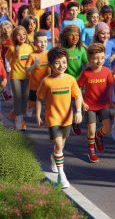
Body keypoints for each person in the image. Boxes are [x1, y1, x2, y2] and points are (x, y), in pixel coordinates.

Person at [36, 47, 82, 189]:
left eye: (64, 62)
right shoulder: (47, 81)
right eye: (57, 63)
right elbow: (39, 98)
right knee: (59, 145)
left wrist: (78, 110)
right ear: (50, 65)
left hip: (67, 118)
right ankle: (62, 175)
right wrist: (38, 115)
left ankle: (54, 156)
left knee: (61, 145)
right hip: (53, 118)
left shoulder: (70, 79)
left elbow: (78, 96)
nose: (61, 66)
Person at [77, 43, 114, 162]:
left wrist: (110, 100)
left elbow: (110, 86)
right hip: (90, 105)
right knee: (91, 129)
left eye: (102, 58)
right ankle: (91, 150)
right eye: (96, 58)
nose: (100, 61)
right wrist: (82, 103)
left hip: (103, 105)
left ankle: (99, 136)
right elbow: (78, 88)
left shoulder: (107, 71)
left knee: (107, 128)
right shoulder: (86, 72)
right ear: (90, 59)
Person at [5, 26, 34, 130]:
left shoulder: (30, 47)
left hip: (27, 76)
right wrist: (8, 67)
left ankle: (15, 113)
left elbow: (35, 57)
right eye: (19, 34)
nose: (22, 36)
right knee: (17, 98)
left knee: (25, 98)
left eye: (24, 34)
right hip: (15, 76)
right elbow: (7, 58)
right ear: (14, 36)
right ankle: (19, 119)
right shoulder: (12, 48)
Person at [25, 31, 50, 117]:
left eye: (45, 41)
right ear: (35, 43)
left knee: (48, 101)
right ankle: (30, 108)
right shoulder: (32, 55)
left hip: (47, 84)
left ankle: (46, 114)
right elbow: (27, 70)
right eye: (40, 42)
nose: (43, 44)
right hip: (35, 84)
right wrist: (34, 65)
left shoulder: (50, 54)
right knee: (32, 101)